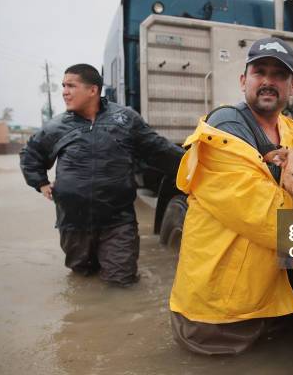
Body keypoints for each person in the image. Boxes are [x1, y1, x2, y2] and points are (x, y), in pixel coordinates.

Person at [169, 37, 293, 354]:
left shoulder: (292, 131)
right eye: (259, 71)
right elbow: (275, 222)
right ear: (244, 80)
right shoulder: (222, 132)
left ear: (292, 85)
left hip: (276, 301)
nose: (269, 81)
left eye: (279, 74)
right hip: (220, 317)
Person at [20, 64, 183, 287]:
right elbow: (31, 153)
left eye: (71, 85)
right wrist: (40, 183)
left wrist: (196, 164)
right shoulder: (56, 126)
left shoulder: (124, 120)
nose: (64, 92)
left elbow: (158, 149)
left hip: (118, 222)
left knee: (121, 282)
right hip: (73, 223)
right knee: (82, 279)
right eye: (63, 86)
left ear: (93, 90)